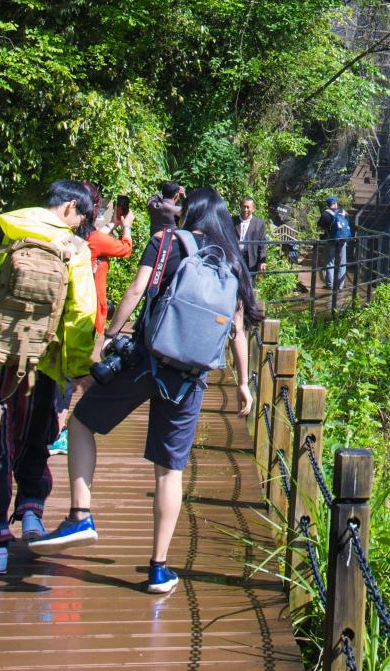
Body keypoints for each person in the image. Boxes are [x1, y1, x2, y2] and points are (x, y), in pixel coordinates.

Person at [32, 186, 261, 595]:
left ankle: (81, 514)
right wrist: (243, 384)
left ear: (190, 212)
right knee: (169, 472)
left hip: (145, 360)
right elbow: (238, 328)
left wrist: (108, 337)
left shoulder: (167, 241)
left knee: (82, 423)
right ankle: (158, 569)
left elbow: (136, 292)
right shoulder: (231, 258)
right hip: (190, 378)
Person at [0, 180, 99, 577]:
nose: (80, 224)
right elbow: (80, 312)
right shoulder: (75, 249)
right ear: (70, 207)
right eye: (81, 217)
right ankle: (33, 515)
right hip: (46, 362)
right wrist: (76, 367)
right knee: (36, 440)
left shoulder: (4, 227)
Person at [50, 188, 136, 455]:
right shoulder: (96, 239)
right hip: (88, 310)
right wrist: (127, 228)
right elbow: (125, 250)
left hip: (59, 310)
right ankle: (59, 432)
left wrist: (111, 225)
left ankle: (52, 428)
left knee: (57, 371)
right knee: (73, 375)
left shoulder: (68, 233)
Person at [233, 196, 267, 275]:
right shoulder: (232, 221)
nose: (245, 210)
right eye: (244, 207)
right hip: (235, 258)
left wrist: (262, 261)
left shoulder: (259, 223)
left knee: (250, 284)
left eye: (248, 207)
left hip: (251, 260)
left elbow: (262, 243)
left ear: (253, 209)